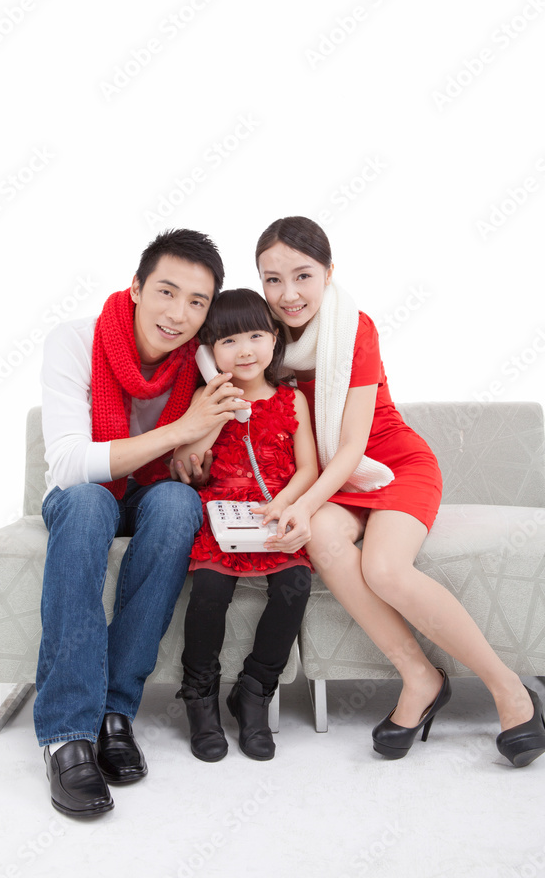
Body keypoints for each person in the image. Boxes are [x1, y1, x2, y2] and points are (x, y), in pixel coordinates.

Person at [251, 215, 545, 767]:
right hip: (333, 482)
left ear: (328, 273)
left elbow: (349, 448)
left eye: (302, 275)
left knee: (386, 570)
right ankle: (420, 676)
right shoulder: (264, 340)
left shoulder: (354, 328)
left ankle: (511, 691)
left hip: (389, 465)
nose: (288, 294)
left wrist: (302, 501)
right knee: (321, 539)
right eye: (272, 279)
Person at [35, 228, 251, 817]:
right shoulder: (75, 341)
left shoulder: (200, 358)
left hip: (154, 490)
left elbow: (245, 401)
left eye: (197, 302)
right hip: (86, 492)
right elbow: (70, 461)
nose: (178, 315)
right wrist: (178, 430)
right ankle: (66, 734)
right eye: (166, 292)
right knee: (85, 504)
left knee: (181, 504)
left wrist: (198, 452)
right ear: (135, 288)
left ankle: (114, 712)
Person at [172, 288, 317, 762]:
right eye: (229, 341)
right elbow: (185, 465)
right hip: (222, 515)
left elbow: (308, 470)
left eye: (256, 335)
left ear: (275, 339)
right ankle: (199, 694)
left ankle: (255, 691)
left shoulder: (292, 400)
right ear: (209, 352)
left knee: (294, 584)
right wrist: (218, 406)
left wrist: (283, 504)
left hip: (275, 511)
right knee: (211, 588)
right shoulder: (204, 397)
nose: (245, 350)